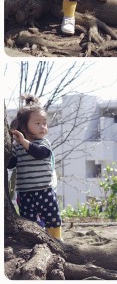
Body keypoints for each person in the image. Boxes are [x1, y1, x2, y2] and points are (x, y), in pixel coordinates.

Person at [7, 95, 62, 240]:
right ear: (24, 127)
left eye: (45, 123)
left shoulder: (44, 143)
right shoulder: (18, 147)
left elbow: (40, 153)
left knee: (53, 218)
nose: (43, 127)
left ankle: (56, 240)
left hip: (45, 190)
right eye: (37, 123)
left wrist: (24, 142)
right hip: (25, 193)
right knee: (29, 221)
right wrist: (11, 146)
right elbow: (10, 164)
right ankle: (34, 241)